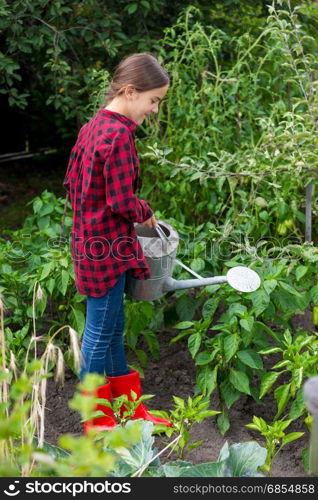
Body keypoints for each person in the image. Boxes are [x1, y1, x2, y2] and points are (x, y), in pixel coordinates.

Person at [63, 53, 172, 432]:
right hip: (106, 250)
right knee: (97, 334)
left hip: (89, 243)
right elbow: (121, 201)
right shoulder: (120, 136)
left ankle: (126, 411)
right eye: (153, 100)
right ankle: (95, 420)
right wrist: (144, 209)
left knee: (110, 327)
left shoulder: (93, 127)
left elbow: (73, 184)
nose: (155, 110)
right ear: (129, 91)